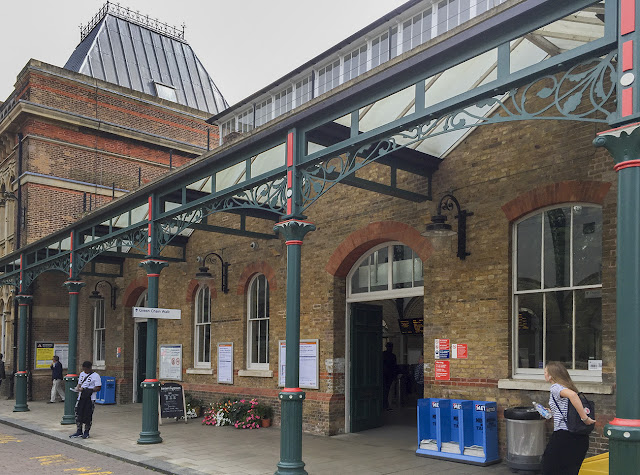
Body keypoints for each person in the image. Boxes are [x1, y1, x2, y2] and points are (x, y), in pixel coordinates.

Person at [542, 361, 596, 475]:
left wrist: (584, 418)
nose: (544, 374)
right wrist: (551, 411)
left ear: (551, 375)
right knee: (570, 470)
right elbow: (569, 408)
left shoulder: (555, 387)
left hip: (564, 436)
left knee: (548, 467)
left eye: (545, 372)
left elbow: (572, 396)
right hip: (580, 438)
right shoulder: (569, 387)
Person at [70, 361, 101, 439]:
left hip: (90, 398)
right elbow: (80, 383)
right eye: (83, 369)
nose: (84, 371)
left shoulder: (96, 376)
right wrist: (77, 388)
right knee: (78, 413)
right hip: (81, 397)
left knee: (88, 414)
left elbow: (98, 387)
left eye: (86, 369)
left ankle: (86, 432)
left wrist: (87, 390)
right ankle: (79, 430)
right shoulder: (82, 374)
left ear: (90, 368)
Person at [382, 341, 397, 410]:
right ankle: (386, 405)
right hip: (388, 375)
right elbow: (394, 366)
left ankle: (385, 405)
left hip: (385, 375)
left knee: (386, 391)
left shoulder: (383, 354)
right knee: (388, 391)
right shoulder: (393, 356)